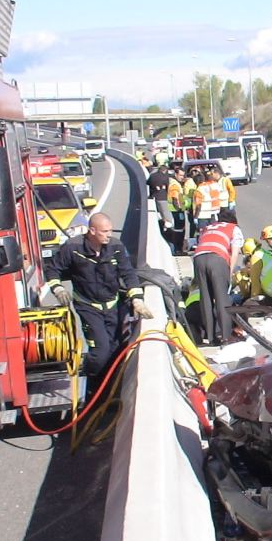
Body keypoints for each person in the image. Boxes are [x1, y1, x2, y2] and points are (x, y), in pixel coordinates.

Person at [47, 213, 153, 388]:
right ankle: (93, 386)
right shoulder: (72, 248)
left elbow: (128, 273)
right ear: (92, 231)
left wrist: (137, 299)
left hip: (112, 305)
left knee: (115, 349)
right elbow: (52, 270)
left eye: (110, 230)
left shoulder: (116, 247)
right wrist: (57, 288)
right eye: (105, 231)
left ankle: (111, 387)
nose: (109, 234)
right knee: (100, 352)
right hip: (88, 307)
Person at [192, 208, 244, 345]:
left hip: (198, 259)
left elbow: (200, 244)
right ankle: (226, 336)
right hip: (217, 259)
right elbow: (234, 254)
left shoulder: (208, 227)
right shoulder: (234, 228)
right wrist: (230, 272)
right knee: (222, 298)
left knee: (206, 299)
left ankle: (211, 337)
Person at [147, 164, 174, 234]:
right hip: (163, 197)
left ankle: (162, 226)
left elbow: (147, 183)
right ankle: (167, 230)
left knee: (159, 213)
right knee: (166, 214)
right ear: (165, 170)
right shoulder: (166, 177)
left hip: (154, 197)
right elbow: (168, 187)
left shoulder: (152, 176)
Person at [165, 167, 187, 253]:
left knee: (179, 230)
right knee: (179, 231)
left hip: (176, 210)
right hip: (176, 210)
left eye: (183, 175)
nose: (182, 177)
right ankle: (178, 249)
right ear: (176, 174)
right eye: (181, 175)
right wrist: (179, 209)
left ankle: (178, 249)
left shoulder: (175, 183)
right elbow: (175, 198)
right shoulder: (174, 185)